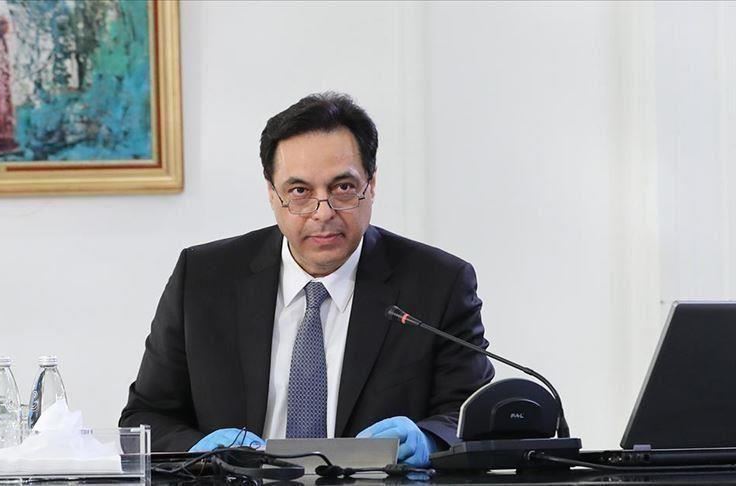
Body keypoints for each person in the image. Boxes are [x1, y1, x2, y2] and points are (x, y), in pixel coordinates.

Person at [119, 92, 494, 467]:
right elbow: (146, 417)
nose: (323, 212)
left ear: (371, 185)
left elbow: (467, 417)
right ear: (272, 194)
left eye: (343, 188)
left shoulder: (439, 284)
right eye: (300, 192)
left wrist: (428, 440)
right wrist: (199, 450)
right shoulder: (203, 278)